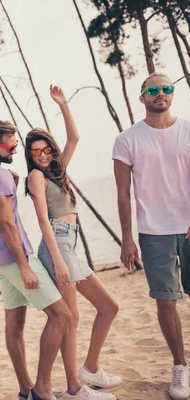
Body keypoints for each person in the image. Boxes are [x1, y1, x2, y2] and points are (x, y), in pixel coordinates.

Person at [24, 85, 121, 400]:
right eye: (34, 152)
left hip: (68, 246)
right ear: (30, 156)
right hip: (57, 248)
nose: (41, 155)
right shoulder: (36, 178)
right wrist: (59, 259)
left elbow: (74, 138)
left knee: (108, 307)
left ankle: (90, 368)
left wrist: (64, 105)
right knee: (71, 319)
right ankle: (75, 388)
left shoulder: (56, 173)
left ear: (51, 150)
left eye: (45, 149)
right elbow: (42, 220)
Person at [0, 120, 73, 400]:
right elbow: (6, 224)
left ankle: (25, 389)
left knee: (14, 324)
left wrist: (12, 186)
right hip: (16, 258)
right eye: (12, 146)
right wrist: (26, 266)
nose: (16, 151)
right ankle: (42, 389)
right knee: (61, 316)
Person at [113, 72, 190, 400]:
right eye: (154, 90)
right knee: (166, 300)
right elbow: (122, 193)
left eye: (167, 89)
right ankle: (180, 369)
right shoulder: (127, 139)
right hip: (152, 231)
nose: (161, 94)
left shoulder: (187, 130)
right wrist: (127, 238)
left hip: (188, 227)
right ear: (142, 97)